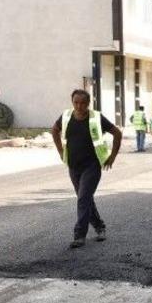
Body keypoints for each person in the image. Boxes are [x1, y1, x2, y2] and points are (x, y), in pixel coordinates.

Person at [51, 89, 122, 248]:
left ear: (88, 103)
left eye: (83, 103)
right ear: (72, 102)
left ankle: (79, 236)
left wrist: (112, 156)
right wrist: (60, 151)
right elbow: (54, 130)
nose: (79, 106)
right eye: (76, 102)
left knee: (83, 198)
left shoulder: (96, 117)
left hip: (92, 165)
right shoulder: (66, 116)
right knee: (85, 198)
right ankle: (100, 226)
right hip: (73, 166)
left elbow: (117, 133)